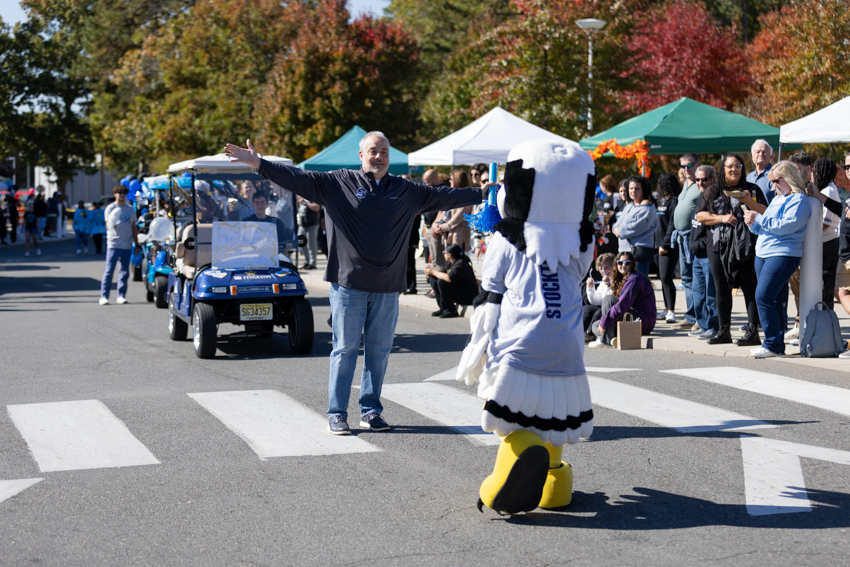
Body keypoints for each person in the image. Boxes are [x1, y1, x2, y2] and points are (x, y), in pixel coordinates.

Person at [224, 133, 490, 435]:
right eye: (373, 151)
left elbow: (446, 196)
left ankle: (371, 410)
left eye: (384, 152)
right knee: (345, 349)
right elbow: (297, 177)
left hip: (388, 287)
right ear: (361, 155)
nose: (379, 157)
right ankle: (337, 412)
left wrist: (480, 193)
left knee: (379, 351)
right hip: (348, 284)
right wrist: (259, 164)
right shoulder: (338, 182)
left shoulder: (405, 189)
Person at [696, 153, 767, 346]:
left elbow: (765, 211)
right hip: (717, 246)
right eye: (730, 166)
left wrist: (748, 202)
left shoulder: (751, 189)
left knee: (749, 287)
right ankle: (723, 330)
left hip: (744, 246)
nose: (734, 170)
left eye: (738, 166)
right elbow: (700, 216)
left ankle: (753, 331)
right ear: (723, 169)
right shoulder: (713, 190)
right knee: (721, 288)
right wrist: (722, 218)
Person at [744, 161, 812, 358]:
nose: (774, 184)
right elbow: (765, 227)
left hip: (783, 253)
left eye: (777, 180)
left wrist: (759, 218)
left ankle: (772, 344)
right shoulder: (777, 199)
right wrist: (752, 223)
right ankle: (776, 344)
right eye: (771, 181)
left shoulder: (799, 200)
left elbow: (785, 226)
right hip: (764, 252)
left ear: (789, 178)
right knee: (774, 299)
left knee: (763, 296)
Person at [588, 251, 657, 348]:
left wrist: (604, 322)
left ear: (632, 264)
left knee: (609, 299)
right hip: (631, 319)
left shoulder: (634, 279)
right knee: (595, 325)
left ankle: (604, 340)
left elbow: (622, 305)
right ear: (616, 264)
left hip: (642, 322)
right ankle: (611, 340)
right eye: (620, 263)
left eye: (627, 263)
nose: (623, 265)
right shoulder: (624, 278)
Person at [670, 153, 702, 330]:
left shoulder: (700, 184)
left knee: (697, 277)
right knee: (687, 278)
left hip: (693, 236)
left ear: (698, 164)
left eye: (689, 165)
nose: (685, 169)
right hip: (682, 237)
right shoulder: (687, 184)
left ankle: (700, 317)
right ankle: (691, 315)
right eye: (682, 166)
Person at [687, 165, 719, 340]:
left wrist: (702, 244)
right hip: (696, 254)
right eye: (697, 179)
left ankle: (714, 327)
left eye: (704, 179)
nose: (700, 182)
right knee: (698, 293)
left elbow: (716, 228)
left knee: (711, 293)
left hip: (708, 254)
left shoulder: (715, 199)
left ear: (713, 179)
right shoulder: (701, 197)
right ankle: (704, 324)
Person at [99, 185, 139, 305]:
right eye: (119, 193)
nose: (121, 195)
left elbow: (133, 226)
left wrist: (136, 243)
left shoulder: (130, 209)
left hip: (126, 245)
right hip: (113, 244)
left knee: (124, 272)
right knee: (109, 271)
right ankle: (104, 296)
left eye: (123, 193)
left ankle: (121, 295)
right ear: (115, 194)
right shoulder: (110, 208)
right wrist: (112, 221)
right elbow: (107, 225)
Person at [612, 176, 657, 277]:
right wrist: (615, 228)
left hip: (638, 254)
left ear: (643, 191)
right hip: (624, 253)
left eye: (637, 188)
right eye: (631, 188)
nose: (633, 191)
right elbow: (617, 223)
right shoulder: (630, 205)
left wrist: (620, 231)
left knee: (638, 285)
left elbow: (636, 228)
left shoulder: (647, 208)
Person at [423, 244, 479, 318]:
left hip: (468, 295)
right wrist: (429, 273)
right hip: (460, 292)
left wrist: (433, 272)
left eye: (444, 253)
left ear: (449, 255)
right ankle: (443, 308)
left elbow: (449, 278)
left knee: (442, 282)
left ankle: (450, 309)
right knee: (434, 280)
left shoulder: (461, 264)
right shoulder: (450, 264)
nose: (444, 254)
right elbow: (440, 274)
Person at [655, 172, 681, 324]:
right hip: (658, 245)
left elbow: (672, 224)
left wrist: (665, 244)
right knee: (662, 279)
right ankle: (666, 308)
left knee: (667, 278)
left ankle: (671, 310)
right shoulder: (662, 201)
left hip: (668, 246)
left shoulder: (674, 202)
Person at [432, 169, 474, 253]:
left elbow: (458, 218)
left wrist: (441, 228)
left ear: (458, 179)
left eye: (451, 178)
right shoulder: (451, 195)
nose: (450, 180)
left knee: (457, 262)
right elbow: (442, 213)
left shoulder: (466, 197)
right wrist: (435, 225)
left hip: (459, 238)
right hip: (448, 236)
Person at [583, 252, 615, 340]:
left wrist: (610, 285)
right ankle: (579, 331)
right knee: (587, 308)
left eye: (606, 267)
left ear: (614, 267)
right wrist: (590, 288)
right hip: (605, 309)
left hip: (615, 311)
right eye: (601, 268)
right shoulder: (603, 283)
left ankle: (590, 334)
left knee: (599, 312)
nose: (603, 271)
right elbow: (595, 301)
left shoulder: (619, 279)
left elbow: (617, 297)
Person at [297, 196, 321, 270]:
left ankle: (312, 263)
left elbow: (316, 207)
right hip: (302, 224)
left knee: (311, 244)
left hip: (312, 224)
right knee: (301, 243)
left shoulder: (313, 196)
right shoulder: (300, 197)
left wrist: (306, 201)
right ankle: (307, 261)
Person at [747, 139, 775, 204]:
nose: (761, 154)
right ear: (752, 157)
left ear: (771, 157)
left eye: (764, 152)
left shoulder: (776, 175)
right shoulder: (749, 177)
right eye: (758, 152)